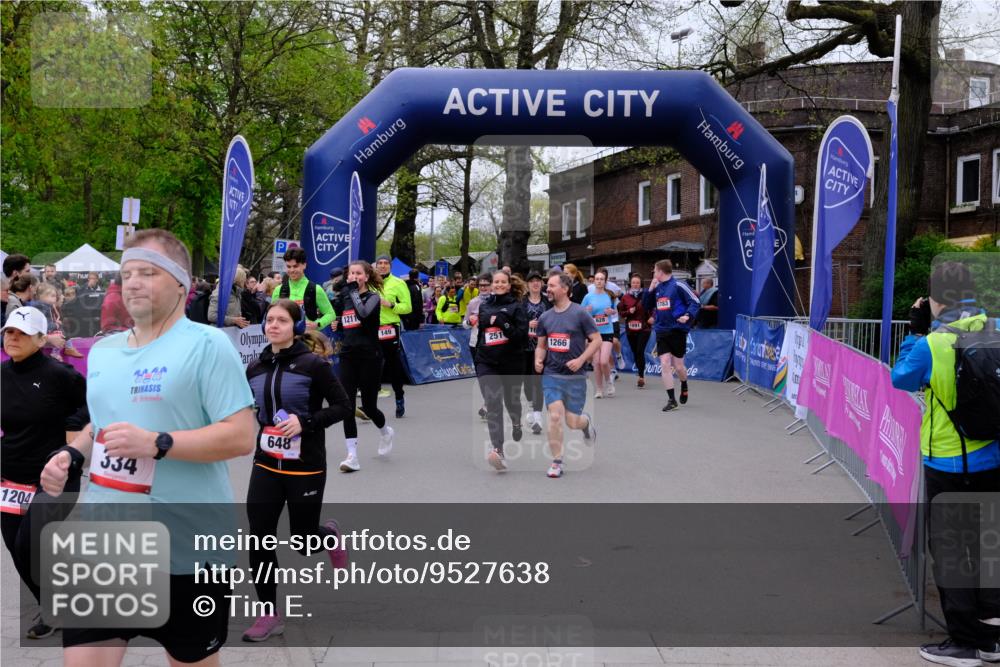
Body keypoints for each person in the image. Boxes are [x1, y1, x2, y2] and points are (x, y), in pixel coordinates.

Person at [39, 228, 258, 667]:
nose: (132, 282)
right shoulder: (104, 351)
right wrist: (72, 454)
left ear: (180, 283)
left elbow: (241, 435)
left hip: (189, 550)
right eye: (127, 274)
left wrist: (158, 443)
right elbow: (99, 424)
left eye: (148, 272)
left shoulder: (207, 345)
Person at [890, 262, 1000, 667]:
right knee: (988, 548)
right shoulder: (996, 327)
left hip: (950, 462)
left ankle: (963, 643)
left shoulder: (933, 344)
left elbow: (901, 378)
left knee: (953, 553)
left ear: (936, 299)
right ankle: (991, 641)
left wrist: (917, 330)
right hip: (994, 458)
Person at [242, 299, 352, 641]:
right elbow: (251, 410)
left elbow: (343, 407)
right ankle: (268, 614)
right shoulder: (255, 368)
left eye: (281, 320)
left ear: (296, 326)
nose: (273, 325)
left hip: (305, 465)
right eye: (269, 320)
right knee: (259, 537)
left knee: (304, 542)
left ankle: (328, 535)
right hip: (266, 464)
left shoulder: (313, 365)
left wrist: (304, 422)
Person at [1, 306, 88, 639]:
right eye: (9, 332)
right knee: (16, 548)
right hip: (10, 479)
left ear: (40, 339)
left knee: (30, 541)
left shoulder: (60, 375)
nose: (13, 338)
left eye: (22, 333)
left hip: (55, 476)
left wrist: (72, 429)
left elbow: (92, 406)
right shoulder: (2, 376)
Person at [534, 272, 601, 478]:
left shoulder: (580, 314)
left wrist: (581, 360)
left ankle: (586, 423)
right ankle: (557, 461)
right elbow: (541, 345)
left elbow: (597, 340)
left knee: (572, 422)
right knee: (555, 416)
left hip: (576, 376)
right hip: (552, 374)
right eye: (548, 285)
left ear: (565, 289)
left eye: (552, 285)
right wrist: (538, 359)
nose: (548, 289)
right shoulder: (545, 317)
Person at [331, 261, 396, 472]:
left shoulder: (373, 298)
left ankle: (386, 432)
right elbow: (345, 321)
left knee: (369, 407)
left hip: (370, 356)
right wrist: (337, 322)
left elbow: (364, 315)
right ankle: (352, 456)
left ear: (366, 277)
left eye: (358, 273)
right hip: (348, 355)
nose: (354, 277)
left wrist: (352, 294)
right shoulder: (347, 298)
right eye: (351, 273)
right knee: (347, 407)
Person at [474, 271, 527, 471]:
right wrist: (478, 357)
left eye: (502, 282)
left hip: (511, 363)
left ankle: (516, 422)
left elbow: (521, 338)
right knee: (493, 403)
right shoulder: (484, 306)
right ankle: (498, 450)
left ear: (508, 285)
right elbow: (481, 334)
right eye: (495, 282)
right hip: (487, 362)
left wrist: (503, 323)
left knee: (512, 402)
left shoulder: (517, 307)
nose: (498, 285)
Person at [643, 259, 699, 412]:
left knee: (679, 366)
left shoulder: (679, 285)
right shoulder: (658, 287)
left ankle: (684, 384)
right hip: (661, 330)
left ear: (660, 272)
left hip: (677, 330)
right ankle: (671, 399)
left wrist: (687, 316)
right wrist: (651, 288)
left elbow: (695, 301)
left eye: (654, 270)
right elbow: (646, 305)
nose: (653, 273)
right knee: (665, 363)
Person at [373, 255, 412, 417]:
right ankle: (370, 405)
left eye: (385, 264)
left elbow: (408, 307)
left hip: (390, 328)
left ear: (390, 266)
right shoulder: (369, 283)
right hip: (372, 328)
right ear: (376, 266)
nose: (382, 266)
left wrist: (391, 304)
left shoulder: (398, 283)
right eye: (380, 263)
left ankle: (399, 397)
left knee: (393, 364)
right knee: (372, 365)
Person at [270, 247, 337, 331]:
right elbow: (271, 316)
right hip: (285, 338)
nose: (292, 270)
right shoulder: (278, 290)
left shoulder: (315, 289)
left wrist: (318, 324)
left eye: (295, 266)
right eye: (288, 266)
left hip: (307, 339)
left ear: (304, 265)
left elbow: (331, 314)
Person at [522, 272, 550, 434]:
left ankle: (538, 415)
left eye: (538, 281)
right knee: (527, 382)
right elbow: (516, 322)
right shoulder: (522, 303)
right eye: (531, 281)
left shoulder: (547, 302)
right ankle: (532, 407)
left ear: (541, 284)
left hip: (542, 347)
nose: (535, 284)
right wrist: (528, 324)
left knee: (538, 380)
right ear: (527, 284)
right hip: (525, 347)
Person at [581, 268, 617, 398]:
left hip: (607, 331)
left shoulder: (609, 295)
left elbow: (614, 311)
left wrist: (610, 312)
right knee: (596, 362)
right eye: (597, 279)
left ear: (605, 281)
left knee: (603, 361)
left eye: (602, 279)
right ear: (594, 281)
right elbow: (581, 312)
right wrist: (587, 310)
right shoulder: (588, 296)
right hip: (593, 332)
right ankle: (599, 389)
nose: (599, 281)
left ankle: (609, 382)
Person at [619, 274, 651, 388]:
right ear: (630, 284)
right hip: (631, 329)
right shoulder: (625, 297)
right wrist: (628, 312)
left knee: (639, 351)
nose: (635, 284)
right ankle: (641, 369)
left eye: (637, 282)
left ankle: (641, 376)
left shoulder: (646, 295)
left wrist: (652, 317)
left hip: (644, 328)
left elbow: (653, 308)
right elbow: (621, 313)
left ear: (640, 284)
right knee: (634, 351)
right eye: (633, 283)